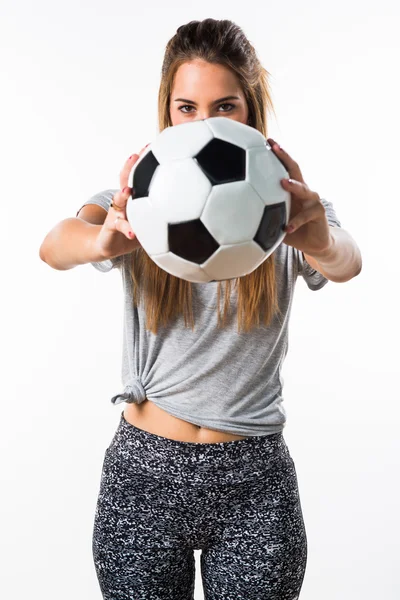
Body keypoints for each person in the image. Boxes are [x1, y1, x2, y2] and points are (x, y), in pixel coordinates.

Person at [39, 18, 361, 600]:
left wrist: (317, 240)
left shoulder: (287, 207)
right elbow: (55, 243)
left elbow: (347, 261)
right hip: (142, 478)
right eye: (186, 107)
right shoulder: (139, 195)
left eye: (225, 106)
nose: (204, 123)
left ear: (251, 109)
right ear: (166, 111)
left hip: (254, 482)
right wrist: (102, 240)